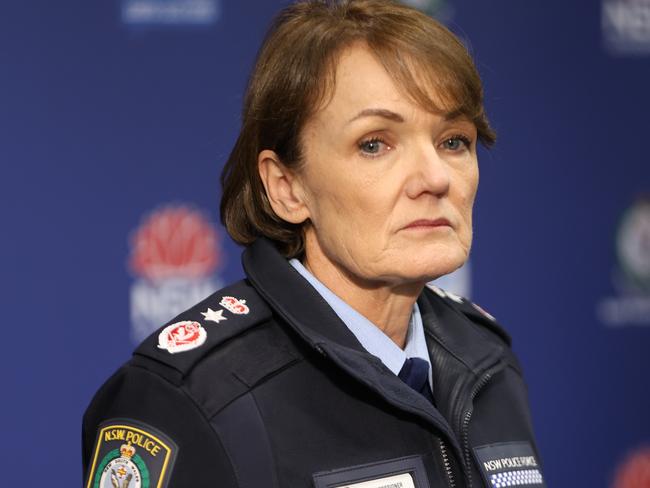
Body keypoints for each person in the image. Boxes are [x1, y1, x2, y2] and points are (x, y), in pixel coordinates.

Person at [82, 1, 545, 487]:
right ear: (286, 187)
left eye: (454, 141)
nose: (434, 178)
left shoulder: (487, 362)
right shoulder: (191, 399)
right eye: (375, 144)